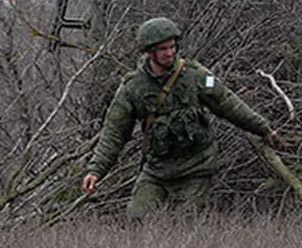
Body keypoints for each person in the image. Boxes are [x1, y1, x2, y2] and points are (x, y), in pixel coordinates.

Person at [80, 16, 280, 220]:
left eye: (172, 47)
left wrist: (264, 129)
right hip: (156, 170)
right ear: (150, 52)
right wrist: (96, 171)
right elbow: (114, 133)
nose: (170, 53)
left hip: (197, 166)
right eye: (163, 49)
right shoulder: (133, 87)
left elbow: (229, 104)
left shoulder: (196, 75)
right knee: (136, 218)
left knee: (185, 223)